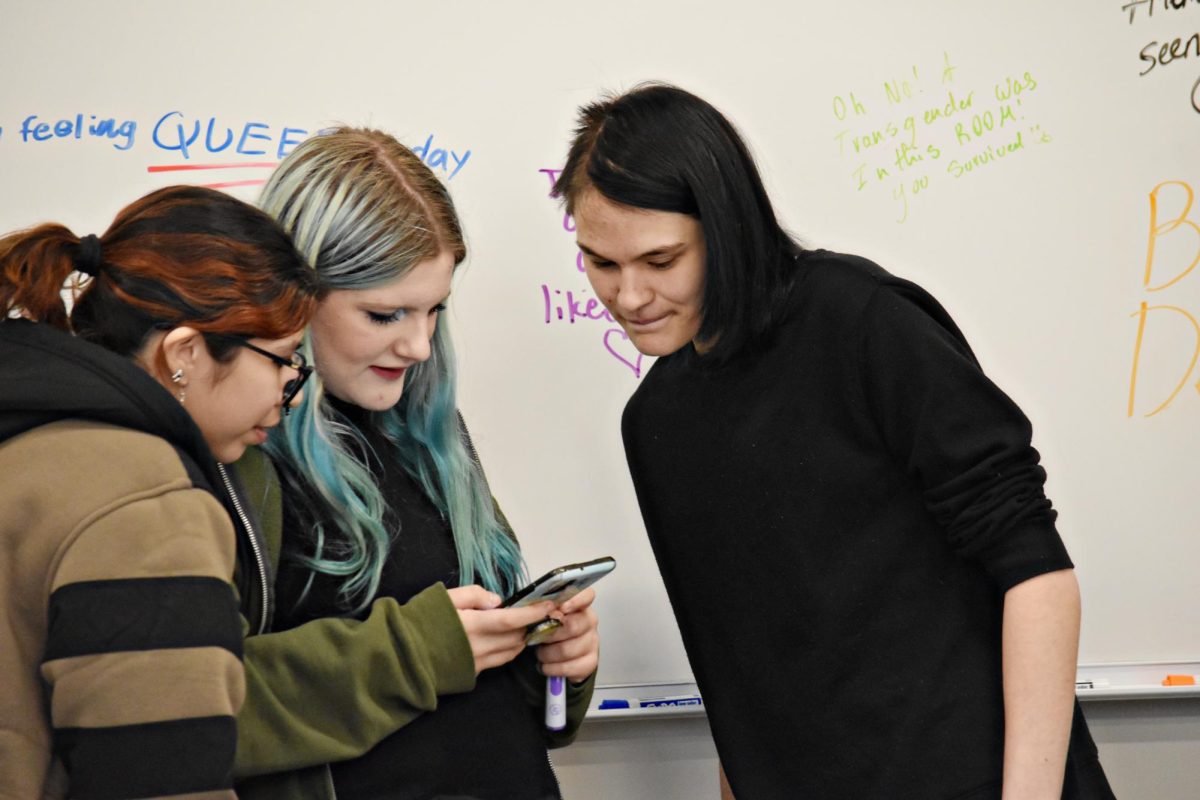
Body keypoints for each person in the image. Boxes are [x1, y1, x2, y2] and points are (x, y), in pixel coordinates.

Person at [552, 83, 1116, 800]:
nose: (629, 297)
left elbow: (1036, 575)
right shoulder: (655, 423)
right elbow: (737, 672)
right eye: (602, 264)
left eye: (661, 262)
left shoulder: (861, 323)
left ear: (724, 228)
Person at [231, 127, 600, 800]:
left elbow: (477, 702)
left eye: (435, 310)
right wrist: (418, 651)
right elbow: (200, 706)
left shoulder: (431, 437)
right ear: (294, 297)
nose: (420, 345)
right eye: (385, 313)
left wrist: (554, 665)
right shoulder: (239, 455)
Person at [0, 185, 319, 798]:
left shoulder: (29, 427)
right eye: (282, 360)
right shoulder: (148, 503)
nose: (294, 390)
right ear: (184, 353)